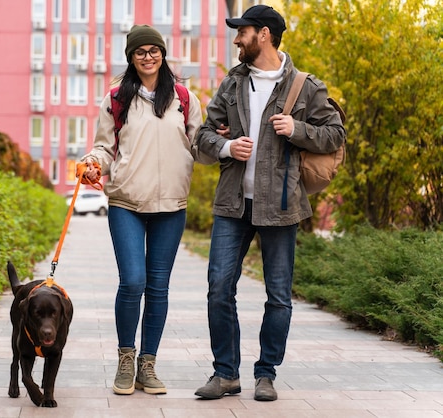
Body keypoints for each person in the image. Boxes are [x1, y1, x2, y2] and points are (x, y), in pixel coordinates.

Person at [193, 5, 346, 402]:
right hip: (233, 205)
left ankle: (266, 374)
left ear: (263, 34)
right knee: (218, 289)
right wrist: (227, 145)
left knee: (278, 295)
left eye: (241, 32)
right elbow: (203, 137)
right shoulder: (233, 83)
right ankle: (225, 373)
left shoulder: (305, 86)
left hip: (280, 206)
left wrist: (298, 129)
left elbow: (335, 135)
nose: (236, 38)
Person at [79, 24, 202, 395]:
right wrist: (92, 162)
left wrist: (226, 144)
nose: (148, 57)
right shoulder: (117, 97)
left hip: (171, 205)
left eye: (154, 50)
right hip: (127, 202)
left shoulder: (183, 96)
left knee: (159, 288)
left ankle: (148, 365)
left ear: (163, 54)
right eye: (140, 51)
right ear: (131, 57)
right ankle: (126, 358)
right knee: (133, 282)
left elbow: (201, 143)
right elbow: (104, 147)